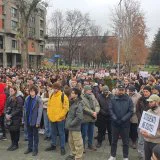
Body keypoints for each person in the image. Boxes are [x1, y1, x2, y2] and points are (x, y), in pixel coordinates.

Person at [108, 84, 133, 160]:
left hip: (125, 124)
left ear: (125, 91)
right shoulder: (112, 99)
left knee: (125, 142)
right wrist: (115, 118)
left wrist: (123, 119)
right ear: (117, 90)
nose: (121, 92)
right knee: (113, 141)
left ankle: (125, 157)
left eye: (122, 90)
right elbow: (110, 110)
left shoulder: (129, 99)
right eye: (119, 90)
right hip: (115, 124)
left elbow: (131, 111)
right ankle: (113, 155)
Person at [46, 82, 69, 155]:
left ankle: (62, 147)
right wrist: (49, 114)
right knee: (53, 132)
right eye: (54, 88)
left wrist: (60, 116)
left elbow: (66, 108)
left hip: (60, 119)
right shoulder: (51, 95)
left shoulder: (63, 96)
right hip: (52, 118)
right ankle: (53, 145)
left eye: (56, 88)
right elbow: (49, 105)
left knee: (61, 133)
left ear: (59, 88)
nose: (54, 89)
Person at [24, 85, 43, 156]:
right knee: (29, 135)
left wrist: (38, 122)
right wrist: (24, 119)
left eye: (33, 91)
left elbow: (40, 112)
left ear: (35, 92)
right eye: (30, 91)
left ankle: (35, 149)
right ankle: (30, 148)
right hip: (28, 120)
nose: (31, 92)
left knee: (35, 136)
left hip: (35, 121)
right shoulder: (27, 98)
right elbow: (24, 110)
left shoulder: (38, 100)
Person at [65, 88, 84, 160]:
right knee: (71, 141)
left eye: (73, 93)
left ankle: (78, 157)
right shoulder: (72, 102)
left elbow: (79, 117)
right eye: (71, 93)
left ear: (76, 95)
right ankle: (73, 153)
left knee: (78, 143)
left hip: (75, 127)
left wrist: (71, 123)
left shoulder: (79, 103)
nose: (71, 94)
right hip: (71, 126)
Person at [140, 94, 160, 160]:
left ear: (157, 102)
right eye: (149, 102)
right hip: (146, 140)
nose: (149, 103)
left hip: (156, 142)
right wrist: (142, 130)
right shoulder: (148, 111)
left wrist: (149, 135)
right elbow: (144, 125)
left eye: (151, 102)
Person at [81, 85, 100, 152]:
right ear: (85, 90)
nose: (91, 91)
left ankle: (90, 145)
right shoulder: (81, 97)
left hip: (92, 118)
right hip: (85, 118)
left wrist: (96, 112)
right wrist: (92, 112)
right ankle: (82, 147)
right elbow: (83, 108)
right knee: (84, 133)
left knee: (91, 133)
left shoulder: (92, 96)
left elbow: (97, 105)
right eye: (89, 90)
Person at [5, 86, 24, 151]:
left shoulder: (19, 98)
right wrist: (6, 114)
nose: (10, 92)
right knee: (11, 131)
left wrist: (11, 115)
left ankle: (16, 144)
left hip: (16, 117)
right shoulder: (9, 97)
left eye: (12, 91)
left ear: (15, 91)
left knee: (15, 131)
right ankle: (12, 143)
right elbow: (6, 106)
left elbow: (19, 109)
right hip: (10, 117)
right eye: (10, 91)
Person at [136, 86, 151, 159]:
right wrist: (141, 118)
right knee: (140, 140)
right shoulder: (140, 100)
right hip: (141, 123)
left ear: (150, 92)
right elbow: (137, 110)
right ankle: (141, 154)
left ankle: (148, 154)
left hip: (149, 124)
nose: (145, 93)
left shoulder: (152, 101)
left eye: (147, 91)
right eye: (144, 91)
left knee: (148, 140)